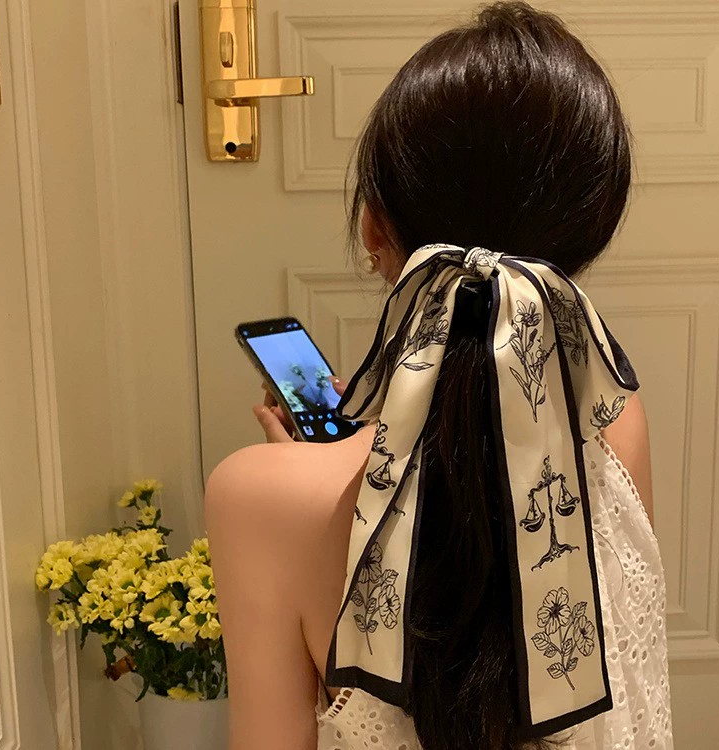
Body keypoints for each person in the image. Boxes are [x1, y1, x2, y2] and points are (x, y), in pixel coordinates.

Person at [204, 2, 673, 749]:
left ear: (373, 228)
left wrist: (302, 477)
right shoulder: (617, 417)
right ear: (591, 229)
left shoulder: (257, 499)